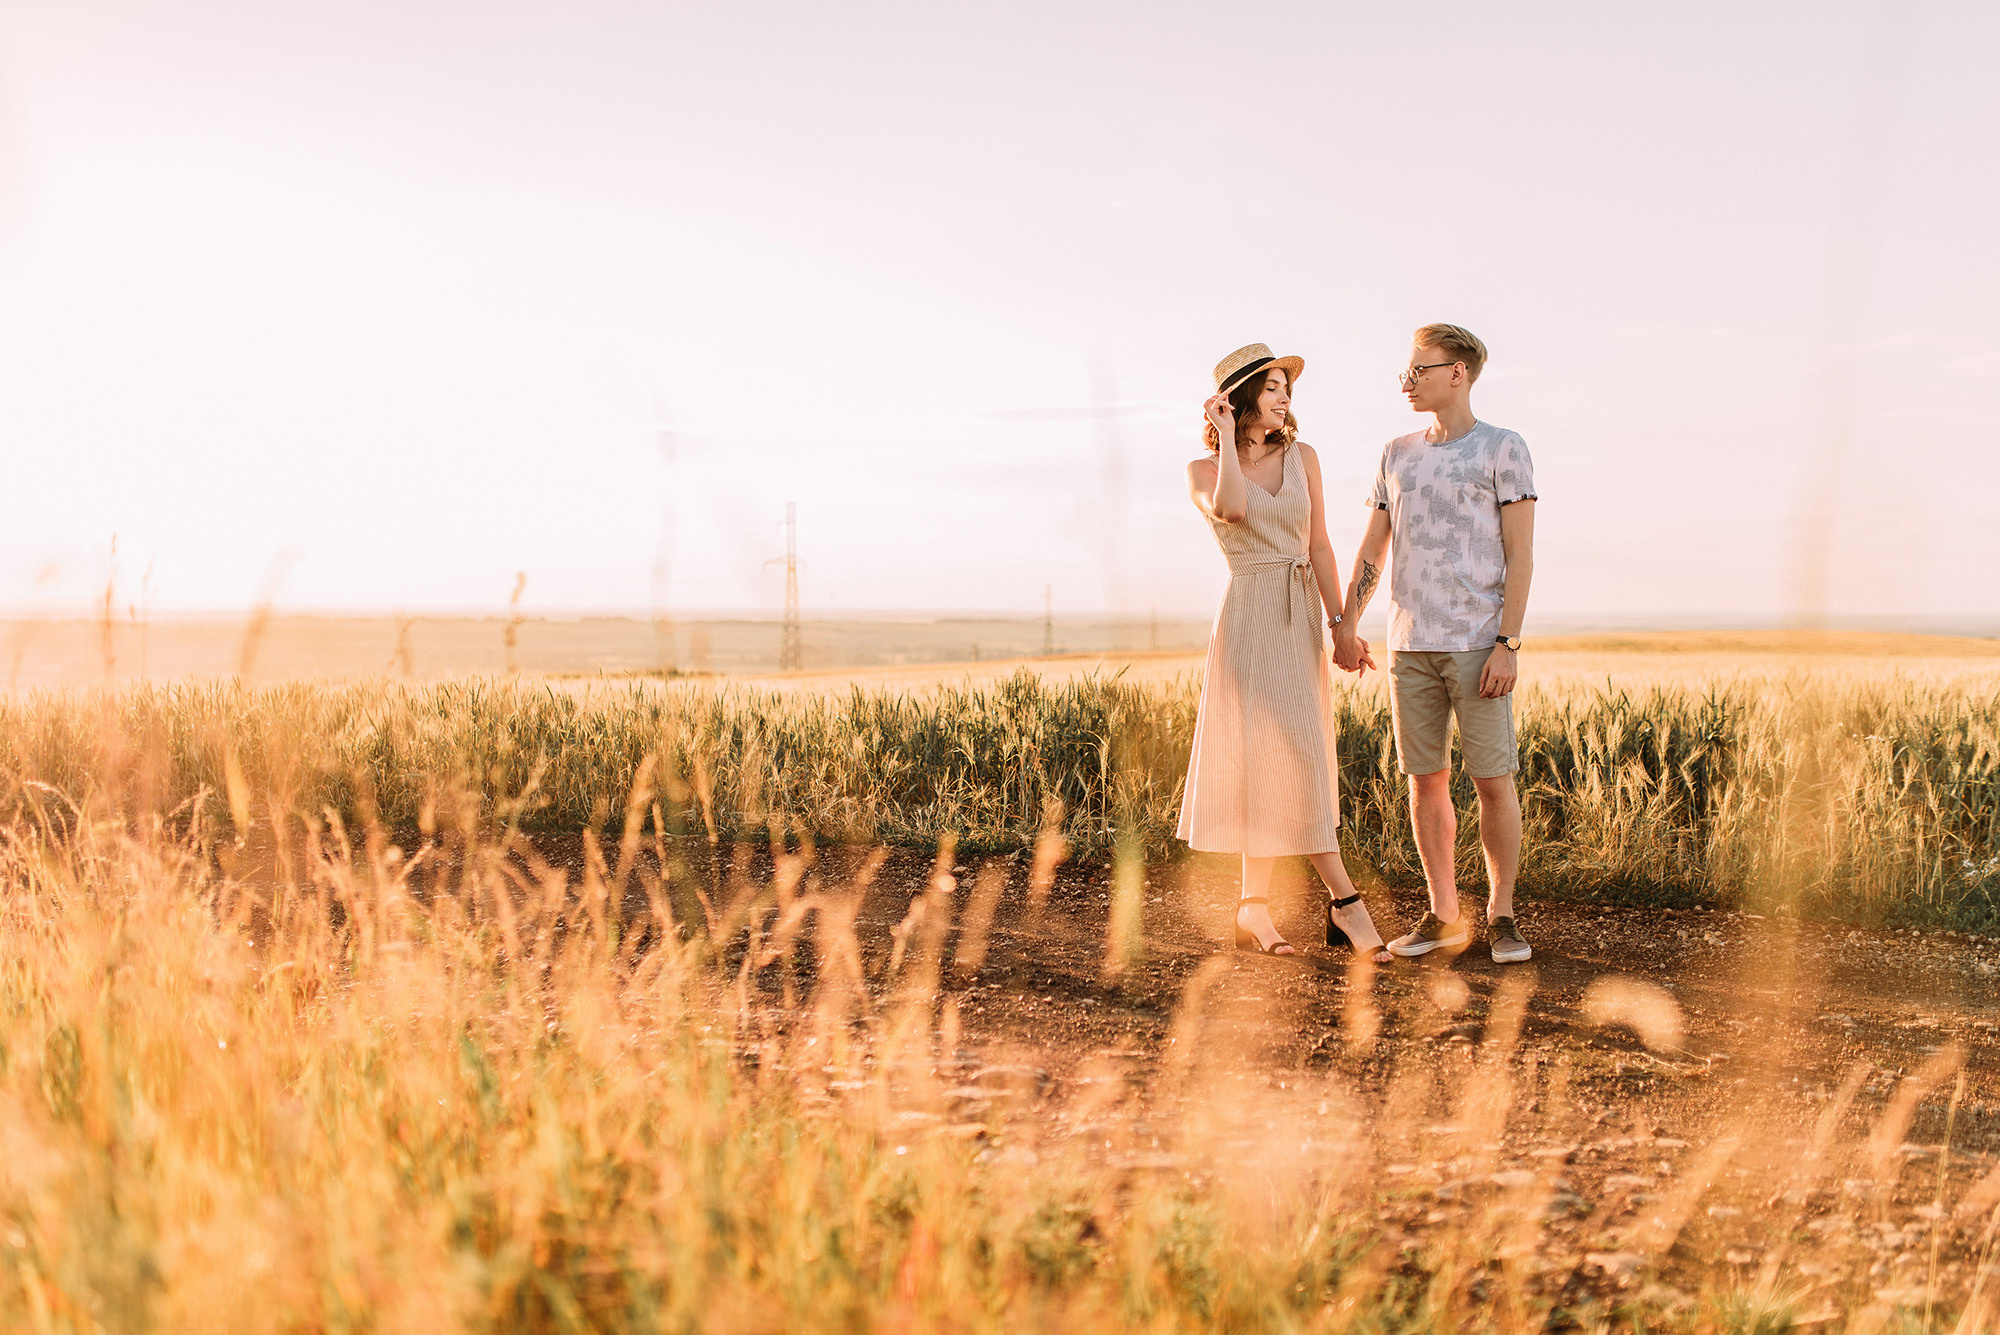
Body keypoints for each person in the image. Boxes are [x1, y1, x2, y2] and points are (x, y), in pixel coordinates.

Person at [1176, 343, 1390, 961]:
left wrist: (1342, 625)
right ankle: (1345, 905)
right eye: (1269, 386)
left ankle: (1253, 909)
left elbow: (1320, 544)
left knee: (1295, 754)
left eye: (1285, 386)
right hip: (1249, 617)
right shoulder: (1201, 471)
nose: (1284, 395)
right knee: (1267, 755)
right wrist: (1223, 436)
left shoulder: (1304, 457)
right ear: (1238, 399)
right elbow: (1233, 509)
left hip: (1297, 614)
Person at [1332, 324, 1537, 964]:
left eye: (1419, 370)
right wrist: (1345, 621)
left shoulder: (1504, 448)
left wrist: (1509, 641)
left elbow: (1520, 552)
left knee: (1492, 780)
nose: (1407, 381)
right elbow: (1373, 547)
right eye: (1406, 370)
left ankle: (1501, 915)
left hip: (1478, 643)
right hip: (1409, 645)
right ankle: (1443, 914)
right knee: (1426, 783)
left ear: (1459, 373)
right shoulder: (1396, 452)